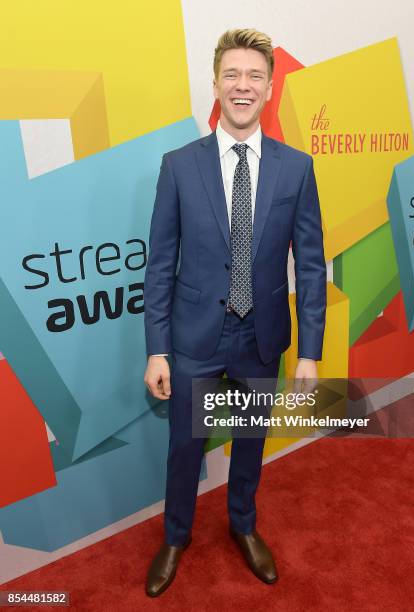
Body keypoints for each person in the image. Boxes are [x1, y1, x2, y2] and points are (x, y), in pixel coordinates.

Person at [143, 28, 326, 597]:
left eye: (254, 76)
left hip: (261, 335)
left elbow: (312, 265)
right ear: (216, 84)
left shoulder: (296, 168)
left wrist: (312, 354)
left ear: (269, 88)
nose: (242, 86)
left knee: (251, 441)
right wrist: (156, 347)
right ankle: (176, 535)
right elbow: (159, 264)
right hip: (194, 337)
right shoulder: (178, 165)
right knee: (183, 448)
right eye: (232, 75)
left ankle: (243, 524)